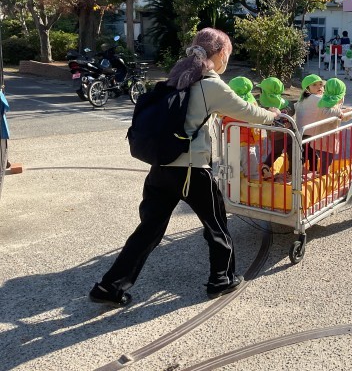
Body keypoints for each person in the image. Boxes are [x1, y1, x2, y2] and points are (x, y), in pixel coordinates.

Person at [89, 28, 280, 307]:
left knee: (148, 230)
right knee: (216, 225)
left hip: (161, 167)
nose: (227, 60)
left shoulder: (179, 76)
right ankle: (222, 279)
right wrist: (274, 115)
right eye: (227, 54)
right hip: (192, 170)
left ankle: (109, 286)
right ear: (220, 53)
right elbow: (248, 112)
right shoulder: (210, 85)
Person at [295, 77, 352, 175]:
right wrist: (340, 112)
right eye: (314, 85)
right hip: (322, 137)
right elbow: (327, 112)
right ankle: (321, 177)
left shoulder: (325, 101)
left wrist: (348, 111)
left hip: (316, 134)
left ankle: (313, 173)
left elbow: (339, 116)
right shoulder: (322, 101)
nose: (319, 87)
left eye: (320, 85)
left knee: (315, 157)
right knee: (324, 160)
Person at [222, 77, 264, 180]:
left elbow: (222, 116)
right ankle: (252, 182)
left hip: (233, 141)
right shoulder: (251, 102)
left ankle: (237, 185)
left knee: (234, 169)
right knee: (250, 166)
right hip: (247, 142)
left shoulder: (230, 104)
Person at [258, 77, 294, 179]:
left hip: (273, 134)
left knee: (276, 152)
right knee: (292, 152)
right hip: (288, 133)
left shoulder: (263, 105)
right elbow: (292, 110)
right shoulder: (285, 104)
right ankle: (291, 173)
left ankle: (266, 166)